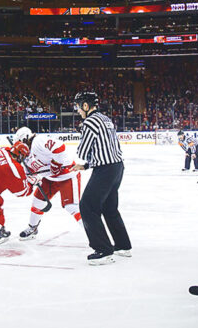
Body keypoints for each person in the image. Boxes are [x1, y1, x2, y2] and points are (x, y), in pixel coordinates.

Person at [71, 91, 131, 265]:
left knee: (87, 206)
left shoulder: (89, 122)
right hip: (117, 167)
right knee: (109, 208)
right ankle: (123, 246)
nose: (78, 111)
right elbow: (109, 149)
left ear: (85, 105)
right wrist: (87, 165)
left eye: (78, 106)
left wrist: (84, 159)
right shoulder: (106, 119)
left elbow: (82, 151)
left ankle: (103, 250)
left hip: (105, 171)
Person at [11, 126, 82, 240]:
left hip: (67, 175)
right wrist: (31, 180)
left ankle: (95, 235)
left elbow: (60, 148)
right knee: (37, 202)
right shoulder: (26, 156)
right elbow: (31, 174)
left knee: (72, 207)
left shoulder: (39, 141)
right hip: (49, 179)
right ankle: (33, 228)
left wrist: (56, 164)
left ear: (25, 139)